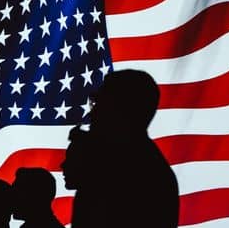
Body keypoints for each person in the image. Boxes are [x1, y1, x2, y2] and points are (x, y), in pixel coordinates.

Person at [61, 69, 179, 227]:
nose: (92, 114)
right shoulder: (112, 165)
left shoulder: (135, 175)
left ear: (121, 111)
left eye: (100, 104)